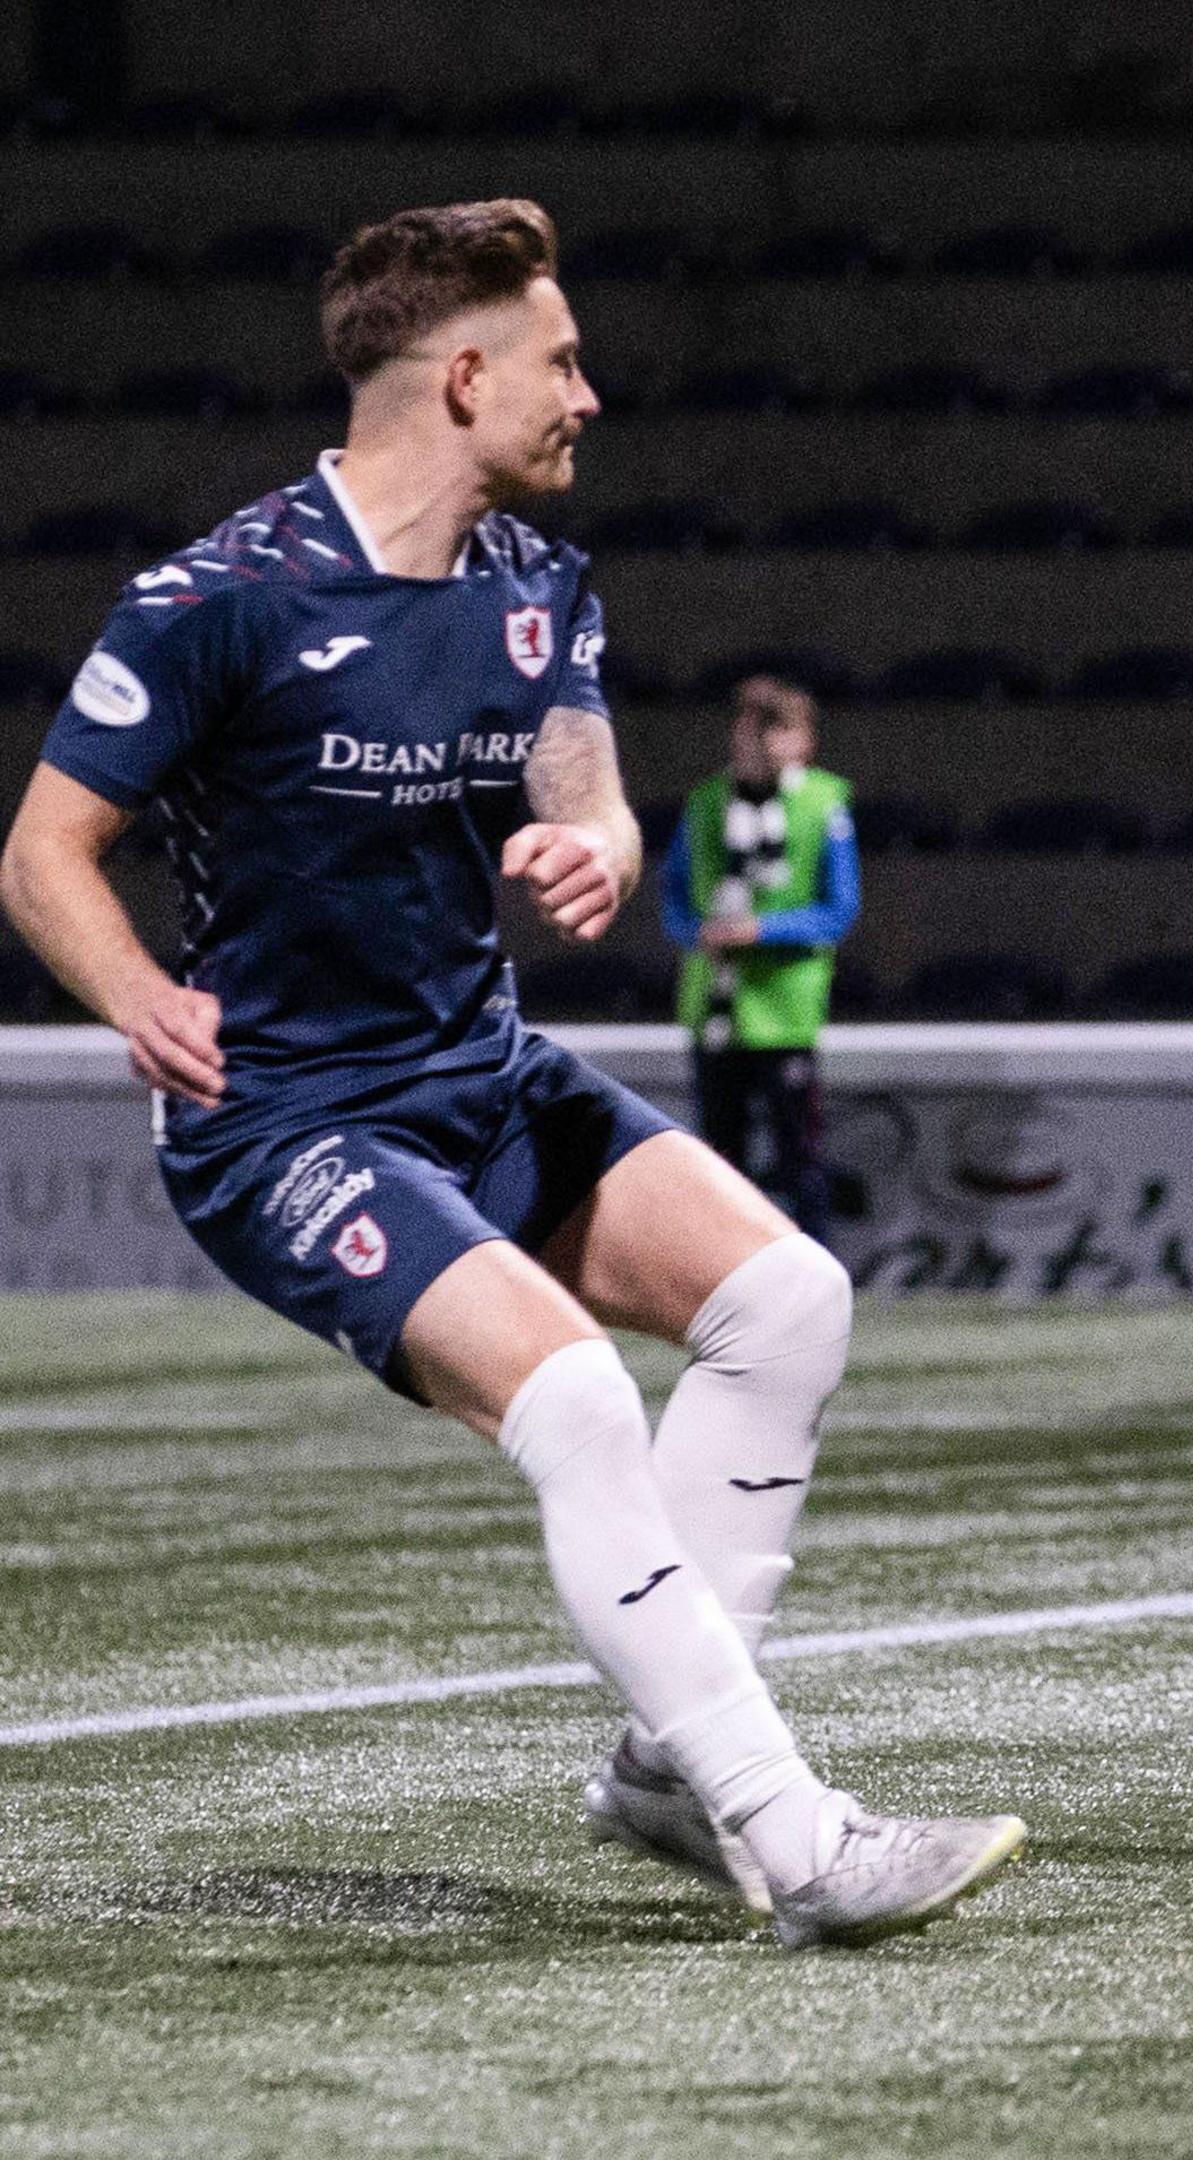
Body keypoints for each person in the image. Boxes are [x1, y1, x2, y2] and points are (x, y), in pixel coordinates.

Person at [0, 199, 1020, 1948]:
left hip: (476, 1072)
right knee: (575, 1404)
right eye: (560, 360)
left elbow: (585, 794)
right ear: (461, 376)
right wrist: (136, 996)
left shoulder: (537, 590)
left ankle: (660, 1766)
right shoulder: (216, 602)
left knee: (790, 1304)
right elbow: (42, 854)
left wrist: (604, 851)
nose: (590, 395)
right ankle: (794, 1837)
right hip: (285, 1126)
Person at [659, 674, 856, 1241]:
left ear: (803, 740)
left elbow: (838, 910)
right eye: (752, 727)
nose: (760, 742)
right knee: (720, 1161)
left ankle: (817, 1270)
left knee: (800, 1157)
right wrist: (694, 933)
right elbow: (673, 895)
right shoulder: (705, 803)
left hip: (784, 1012)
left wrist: (760, 930)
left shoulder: (823, 804)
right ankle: (728, 1274)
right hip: (715, 1009)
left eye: (776, 729)